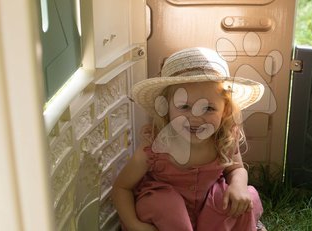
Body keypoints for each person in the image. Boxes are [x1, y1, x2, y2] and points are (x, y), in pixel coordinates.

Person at [112, 47, 266, 231]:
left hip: (208, 213)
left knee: (240, 199)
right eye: (184, 106)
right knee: (166, 203)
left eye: (208, 108)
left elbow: (236, 168)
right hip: (166, 217)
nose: (194, 117)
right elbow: (122, 188)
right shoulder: (154, 148)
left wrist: (238, 185)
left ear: (225, 109)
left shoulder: (223, 140)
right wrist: (134, 225)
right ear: (166, 108)